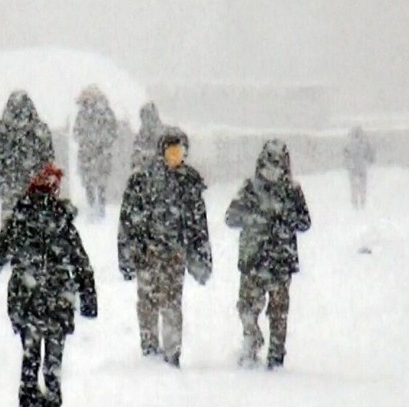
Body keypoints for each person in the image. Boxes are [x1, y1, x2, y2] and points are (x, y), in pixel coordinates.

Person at [0, 163, 98, 407]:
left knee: (30, 359)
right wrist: (88, 298)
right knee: (53, 366)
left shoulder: (20, 218)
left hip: (26, 302)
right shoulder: (62, 220)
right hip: (58, 302)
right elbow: (81, 262)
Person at [117, 129, 212, 367]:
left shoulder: (189, 183)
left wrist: (201, 257)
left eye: (179, 153)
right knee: (147, 301)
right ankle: (149, 349)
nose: (174, 158)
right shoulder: (142, 181)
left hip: (174, 255)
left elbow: (198, 225)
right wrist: (127, 254)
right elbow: (128, 221)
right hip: (147, 252)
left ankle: (172, 353)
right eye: (170, 153)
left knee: (171, 303)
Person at [225, 139, 311, 370]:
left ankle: (276, 356)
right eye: (269, 164)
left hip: (281, 261)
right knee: (246, 308)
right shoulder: (250, 188)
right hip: (253, 260)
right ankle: (252, 342)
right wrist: (255, 217)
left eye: (278, 164)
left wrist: (284, 219)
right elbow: (231, 217)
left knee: (278, 313)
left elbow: (304, 222)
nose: (273, 170)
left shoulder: (292, 191)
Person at [0, 90, 55, 219]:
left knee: (9, 228)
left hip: (11, 186)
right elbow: (49, 157)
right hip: (33, 188)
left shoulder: (1, 129)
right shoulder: (40, 130)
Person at [73, 85, 117, 217]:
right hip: (88, 153)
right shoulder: (82, 114)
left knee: (101, 182)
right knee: (89, 182)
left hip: (100, 153)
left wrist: (99, 142)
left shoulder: (105, 113)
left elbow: (112, 131)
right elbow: (76, 132)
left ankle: (100, 207)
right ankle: (91, 206)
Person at [343, 126, 375, 209]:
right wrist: (370, 161)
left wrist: (347, 164)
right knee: (362, 186)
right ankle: (362, 201)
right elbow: (370, 154)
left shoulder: (348, 144)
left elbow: (346, 155)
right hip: (361, 167)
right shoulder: (364, 143)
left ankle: (355, 203)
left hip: (353, 167)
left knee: (354, 186)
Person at [130, 101, 166, 172]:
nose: (147, 120)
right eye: (145, 117)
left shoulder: (163, 134)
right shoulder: (140, 136)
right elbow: (136, 155)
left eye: (149, 116)